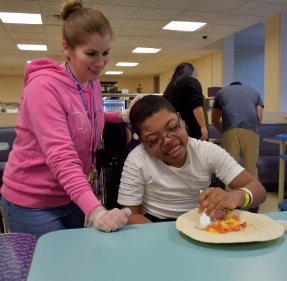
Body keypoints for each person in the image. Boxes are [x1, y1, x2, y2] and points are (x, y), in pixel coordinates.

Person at [0, 0, 134, 238]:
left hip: (72, 194)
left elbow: (83, 117)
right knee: (51, 270)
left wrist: (120, 115)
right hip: (33, 200)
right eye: (91, 53)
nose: (100, 62)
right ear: (66, 48)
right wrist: (96, 211)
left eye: (106, 52)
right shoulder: (43, 88)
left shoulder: (90, 81)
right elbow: (61, 157)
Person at [117, 95, 266, 224]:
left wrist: (237, 196)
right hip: (155, 223)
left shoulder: (206, 151)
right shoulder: (137, 160)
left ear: (181, 120)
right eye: (154, 140)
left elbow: (258, 189)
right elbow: (131, 215)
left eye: (173, 127)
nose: (168, 140)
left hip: (200, 221)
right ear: (143, 143)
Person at [211, 81, 264, 179]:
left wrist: (224, 132)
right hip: (251, 130)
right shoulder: (255, 92)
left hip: (230, 129)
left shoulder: (221, 92)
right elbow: (259, 119)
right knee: (251, 168)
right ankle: (251, 193)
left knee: (230, 168)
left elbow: (214, 119)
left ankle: (232, 194)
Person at [163, 62, 209, 141]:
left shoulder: (170, 87)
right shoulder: (191, 81)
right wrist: (203, 127)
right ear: (191, 72)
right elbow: (196, 105)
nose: (196, 76)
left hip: (175, 129)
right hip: (192, 129)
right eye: (196, 74)